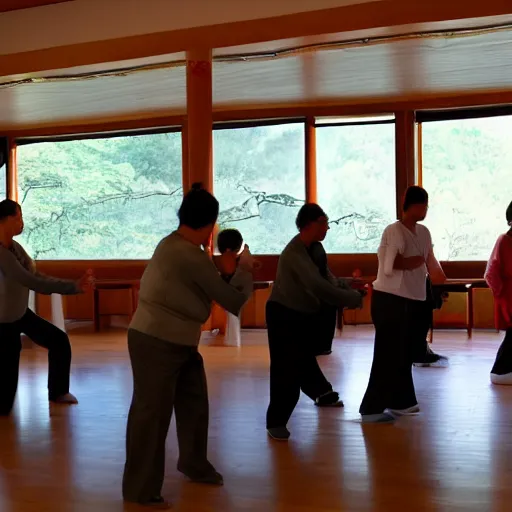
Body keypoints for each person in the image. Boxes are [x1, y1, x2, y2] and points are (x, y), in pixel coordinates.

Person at [122, 183, 255, 508]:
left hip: (176, 342)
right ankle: (140, 490)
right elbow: (233, 300)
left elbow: (205, 284)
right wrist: (244, 270)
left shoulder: (174, 244)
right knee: (151, 414)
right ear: (210, 224)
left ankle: (194, 463)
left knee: (194, 402)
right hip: (157, 341)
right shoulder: (186, 253)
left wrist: (227, 270)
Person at [265, 203, 364, 441]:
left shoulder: (315, 249)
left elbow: (327, 278)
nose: (327, 227)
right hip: (283, 314)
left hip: (300, 314)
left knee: (302, 357)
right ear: (311, 223)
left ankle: (322, 392)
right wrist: (353, 298)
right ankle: (275, 422)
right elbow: (318, 286)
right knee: (285, 369)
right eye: (324, 223)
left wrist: (349, 284)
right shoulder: (294, 253)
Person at [359, 186, 446, 424]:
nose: (425, 209)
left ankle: (402, 401)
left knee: (404, 353)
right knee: (387, 354)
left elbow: (430, 260)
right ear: (411, 206)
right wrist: (412, 262)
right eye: (423, 205)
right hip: (390, 300)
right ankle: (371, 408)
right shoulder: (394, 230)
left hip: (412, 300)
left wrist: (440, 280)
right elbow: (389, 266)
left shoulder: (424, 232)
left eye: (427, 205)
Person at [0, 199, 92, 416]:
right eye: (18, 217)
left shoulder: (15, 248)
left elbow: (35, 274)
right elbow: (31, 281)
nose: (21, 222)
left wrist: (73, 284)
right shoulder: (2, 254)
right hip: (3, 321)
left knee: (58, 340)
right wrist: (73, 287)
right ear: (5, 220)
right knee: (5, 394)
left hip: (19, 312)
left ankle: (59, 392)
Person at [485, 201, 512, 385]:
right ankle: (500, 372)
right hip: (509, 295)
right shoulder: (504, 240)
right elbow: (491, 273)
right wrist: (502, 295)